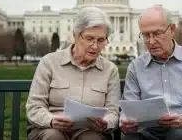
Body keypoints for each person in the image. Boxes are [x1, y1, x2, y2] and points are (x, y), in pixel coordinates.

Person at [120, 5, 182, 140]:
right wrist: (126, 122)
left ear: (172, 30)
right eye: (145, 35)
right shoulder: (136, 67)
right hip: (149, 131)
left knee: (177, 136)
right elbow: (129, 107)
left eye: (157, 33)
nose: (151, 41)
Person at [26, 7, 120, 140]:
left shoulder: (110, 70)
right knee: (53, 137)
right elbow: (35, 107)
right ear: (75, 36)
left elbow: (113, 112)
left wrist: (106, 123)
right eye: (89, 38)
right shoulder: (49, 62)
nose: (95, 46)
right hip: (51, 128)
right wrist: (52, 120)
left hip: (90, 131)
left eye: (101, 40)